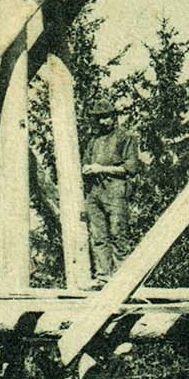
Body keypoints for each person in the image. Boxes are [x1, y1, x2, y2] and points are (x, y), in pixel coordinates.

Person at [80, 102, 147, 281]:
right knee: (98, 236)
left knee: (119, 234)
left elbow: (131, 168)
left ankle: (122, 279)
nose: (102, 121)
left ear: (114, 117)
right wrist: (87, 169)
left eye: (106, 117)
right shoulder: (93, 141)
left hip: (116, 190)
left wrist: (101, 169)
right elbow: (86, 163)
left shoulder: (126, 138)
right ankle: (103, 276)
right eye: (99, 118)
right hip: (94, 191)